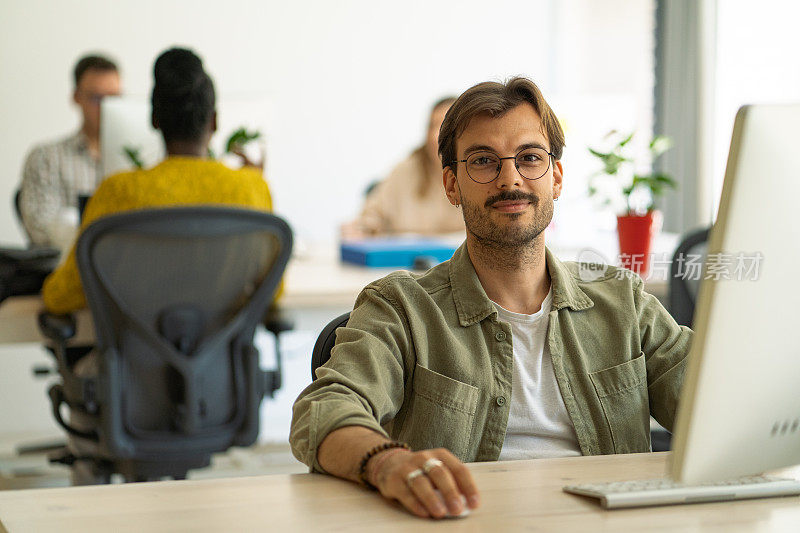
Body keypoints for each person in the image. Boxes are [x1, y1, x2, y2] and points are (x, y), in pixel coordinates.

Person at [290, 77, 692, 519]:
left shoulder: (623, 301)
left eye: (530, 158)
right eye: (483, 161)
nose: (510, 179)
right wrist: (388, 463)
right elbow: (323, 411)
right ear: (452, 184)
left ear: (556, 178)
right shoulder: (400, 307)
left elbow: (709, 396)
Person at [42, 47, 272, 315]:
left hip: (134, 357)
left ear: (154, 119)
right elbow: (272, 290)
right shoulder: (253, 188)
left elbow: (61, 296)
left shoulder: (116, 192)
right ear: (214, 121)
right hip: (221, 357)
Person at [19, 54, 122, 248]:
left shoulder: (144, 160)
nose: (107, 108)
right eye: (97, 98)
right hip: (70, 269)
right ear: (76, 97)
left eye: (114, 98)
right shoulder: (47, 158)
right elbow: (40, 230)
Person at [342, 97, 464, 238]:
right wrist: (360, 229)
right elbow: (370, 218)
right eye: (432, 126)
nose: (434, 135)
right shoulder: (406, 170)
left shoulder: (476, 171)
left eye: (444, 126)